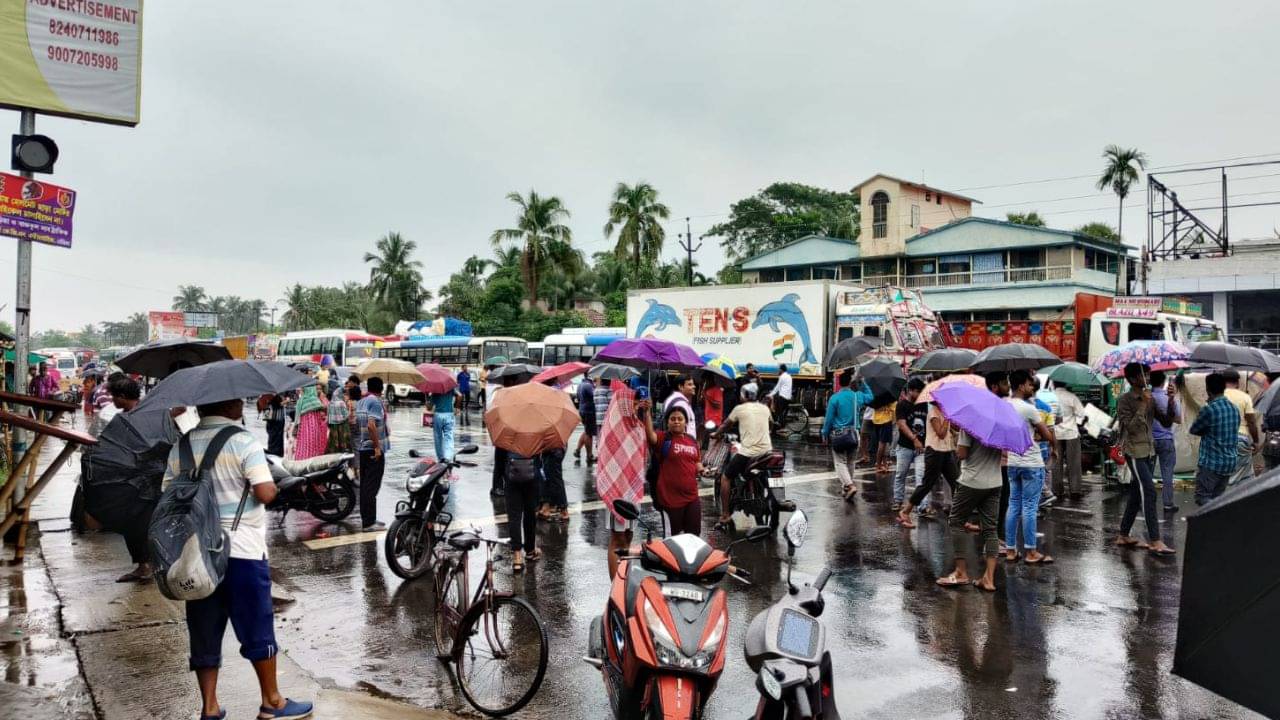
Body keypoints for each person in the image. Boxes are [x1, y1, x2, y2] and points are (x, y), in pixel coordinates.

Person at [164, 398, 312, 720]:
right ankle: (272, 702)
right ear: (231, 404)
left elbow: (168, 495)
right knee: (257, 625)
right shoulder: (243, 440)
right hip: (242, 549)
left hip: (196, 556)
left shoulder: (182, 446)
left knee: (203, 628)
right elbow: (265, 493)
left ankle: (210, 708)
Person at [85, 376, 156, 583]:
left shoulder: (132, 417)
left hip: (141, 481)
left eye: (114, 396)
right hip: (129, 480)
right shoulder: (146, 414)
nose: (112, 400)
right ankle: (145, 565)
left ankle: (145, 566)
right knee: (134, 525)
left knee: (139, 524)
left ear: (123, 397)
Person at [1114, 363, 1177, 555]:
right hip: (1134, 451)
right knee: (1149, 492)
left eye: (1148, 374)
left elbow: (1166, 421)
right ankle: (1155, 540)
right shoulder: (1124, 400)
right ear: (1133, 379)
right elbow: (1131, 427)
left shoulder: (1149, 398)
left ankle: (1123, 534)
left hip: (1149, 450)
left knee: (1136, 493)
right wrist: (1142, 404)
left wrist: (1171, 400)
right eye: (1144, 375)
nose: (1148, 378)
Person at [937, 425, 1004, 592]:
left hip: (971, 481)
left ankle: (961, 572)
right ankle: (989, 578)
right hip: (995, 481)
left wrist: (959, 437)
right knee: (990, 529)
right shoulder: (1000, 428)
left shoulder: (970, 427)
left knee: (956, 521)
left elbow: (962, 453)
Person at [1005, 370, 1056, 564]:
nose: (1031, 387)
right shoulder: (1029, 409)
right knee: (1029, 507)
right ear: (1020, 386)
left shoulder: (1004, 406)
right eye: (1028, 384)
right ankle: (1031, 552)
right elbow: (1048, 436)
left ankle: (1010, 550)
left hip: (1013, 461)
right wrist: (1037, 434)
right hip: (1031, 463)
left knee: (1013, 505)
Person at [714, 383, 773, 529]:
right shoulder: (764, 408)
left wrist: (716, 434)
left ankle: (726, 515)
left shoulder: (739, 409)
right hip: (766, 451)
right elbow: (771, 425)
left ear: (743, 396)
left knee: (726, 477)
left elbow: (725, 425)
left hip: (749, 452)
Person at [898, 394, 961, 528]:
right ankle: (905, 511)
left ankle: (961, 517)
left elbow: (954, 429)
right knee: (927, 484)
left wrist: (954, 420)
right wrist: (947, 419)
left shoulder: (944, 411)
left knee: (957, 482)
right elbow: (941, 433)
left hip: (947, 450)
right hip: (935, 451)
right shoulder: (933, 412)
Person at [643, 405, 705, 537]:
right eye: (673, 419)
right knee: (673, 539)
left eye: (680, 419)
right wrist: (647, 413)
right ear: (668, 422)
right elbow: (650, 435)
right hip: (669, 500)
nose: (676, 421)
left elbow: (696, 460)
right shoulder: (663, 438)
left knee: (694, 536)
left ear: (686, 422)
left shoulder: (692, 441)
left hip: (692, 497)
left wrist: (701, 468)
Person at [1189, 372, 1241, 506]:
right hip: (1229, 462)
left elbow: (1194, 429)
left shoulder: (1209, 410)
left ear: (1207, 389)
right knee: (1217, 500)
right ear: (1223, 388)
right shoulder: (1234, 409)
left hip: (1211, 463)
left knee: (1202, 498)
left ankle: (1207, 526)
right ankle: (1216, 525)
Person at [821, 369, 873, 502]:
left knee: (840, 462)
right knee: (850, 462)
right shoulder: (857, 396)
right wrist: (862, 382)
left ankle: (849, 485)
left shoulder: (835, 398)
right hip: (854, 434)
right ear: (851, 383)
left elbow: (829, 419)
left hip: (839, 435)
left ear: (839, 383)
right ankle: (846, 487)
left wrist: (824, 433)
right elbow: (871, 397)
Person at [356, 377, 389, 531]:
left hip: (363, 448)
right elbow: (371, 424)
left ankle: (369, 519)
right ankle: (369, 523)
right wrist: (377, 447)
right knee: (371, 487)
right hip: (372, 449)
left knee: (365, 486)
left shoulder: (362, 401)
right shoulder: (374, 401)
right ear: (381, 388)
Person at [893, 378, 929, 513]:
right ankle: (898, 500)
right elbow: (901, 424)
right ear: (910, 391)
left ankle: (922, 507)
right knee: (900, 474)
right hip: (905, 446)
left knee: (921, 477)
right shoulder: (902, 405)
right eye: (917, 392)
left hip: (922, 447)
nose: (920, 394)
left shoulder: (924, 404)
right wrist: (914, 439)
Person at [1219, 369, 1260, 483]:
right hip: (1240, 439)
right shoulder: (1244, 397)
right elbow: (1251, 422)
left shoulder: (1216, 396)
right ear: (1237, 382)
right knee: (1245, 476)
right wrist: (1256, 441)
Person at [1149, 371, 1181, 512]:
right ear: (1164, 382)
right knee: (1167, 473)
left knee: (1147, 474)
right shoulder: (1169, 398)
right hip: (1166, 440)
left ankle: (1144, 502)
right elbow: (1178, 419)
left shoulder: (1146, 398)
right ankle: (1168, 504)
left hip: (1149, 441)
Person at [505, 450, 543, 571]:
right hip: (532, 474)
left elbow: (500, 456)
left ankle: (517, 556)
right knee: (530, 512)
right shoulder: (536, 430)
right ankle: (530, 550)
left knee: (514, 516)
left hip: (511, 473)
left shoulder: (506, 431)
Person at [1052, 382, 1086, 500]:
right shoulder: (1071, 397)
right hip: (1071, 432)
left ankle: (1057, 490)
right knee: (1074, 463)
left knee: (1056, 462)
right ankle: (1075, 490)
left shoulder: (1050, 396)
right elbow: (1081, 413)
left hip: (1055, 433)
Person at [291, 381, 329, 460]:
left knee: (303, 442)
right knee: (312, 442)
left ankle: (301, 458)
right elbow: (325, 407)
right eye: (316, 389)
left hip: (303, 426)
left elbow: (297, 415)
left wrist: (296, 426)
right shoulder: (314, 399)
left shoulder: (301, 400)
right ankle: (312, 459)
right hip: (313, 426)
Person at [429, 385, 460, 463]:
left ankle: (440, 458)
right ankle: (448, 457)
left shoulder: (435, 390)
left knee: (438, 437)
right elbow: (460, 396)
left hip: (438, 415)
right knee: (449, 436)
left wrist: (427, 399)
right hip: (449, 414)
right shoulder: (450, 388)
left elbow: (429, 407)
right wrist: (457, 407)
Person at [663, 375, 698, 440]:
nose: (694, 386)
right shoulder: (680, 403)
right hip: (683, 445)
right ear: (680, 387)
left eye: (693, 384)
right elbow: (678, 428)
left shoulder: (676, 399)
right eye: (690, 384)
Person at [325, 373, 353, 454]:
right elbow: (345, 416)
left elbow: (328, 416)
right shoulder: (341, 403)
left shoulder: (331, 403)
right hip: (342, 426)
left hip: (333, 426)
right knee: (343, 442)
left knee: (334, 442)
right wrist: (350, 410)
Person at [574, 376, 597, 464]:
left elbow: (578, 398)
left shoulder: (581, 384)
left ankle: (577, 450)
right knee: (589, 434)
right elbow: (595, 396)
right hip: (589, 411)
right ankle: (589, 456)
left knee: (586, 431)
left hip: (582, 410)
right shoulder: (588, 385)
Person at [871, 398, 896, 473]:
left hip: (876, 420)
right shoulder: (889, 397)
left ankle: (884, 464)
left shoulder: (875, 396)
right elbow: (893, 409)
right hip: (886, 420)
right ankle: (878, 464)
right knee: (882, 444)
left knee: (882, 443)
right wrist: (894, 420)